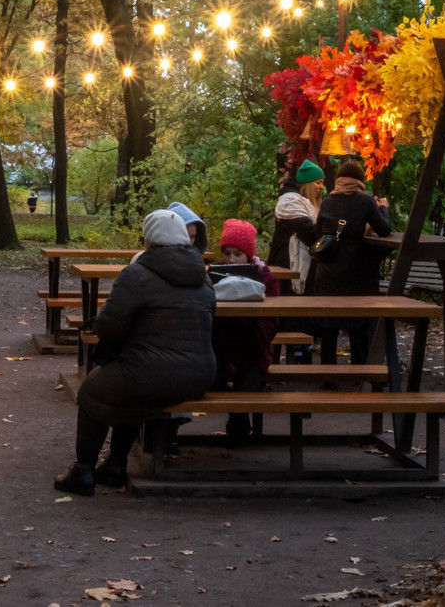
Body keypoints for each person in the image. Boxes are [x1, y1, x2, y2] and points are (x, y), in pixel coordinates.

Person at [54, 209, 216, 496]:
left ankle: (84, 471)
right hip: (200, 374)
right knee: (133, 383)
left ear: (148, 241)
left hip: (153, 372)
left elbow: (109, 325)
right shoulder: (203, 277)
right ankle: (115, 466)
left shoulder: (137, 274)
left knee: (92, 390)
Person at [312, 159, 391, 364]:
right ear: (359, 181)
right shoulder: (364, 202)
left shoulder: (328, 201)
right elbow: (384, 229)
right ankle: (359, 373)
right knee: (357, 322)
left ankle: (328, 376)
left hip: (327, 273)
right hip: (355, 272)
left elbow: (319, 233)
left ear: (339, 180)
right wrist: (383, 208)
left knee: (329, 325)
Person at [211, 219, 279, 444]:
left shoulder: (265, 278)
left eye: (237, 254)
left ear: (248, 255)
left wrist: (241, 360)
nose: (231, 259)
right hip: (220, 349)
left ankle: (239, 425)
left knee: (247, 386)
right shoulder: (215, 276)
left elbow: (268, 325)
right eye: (227, 253)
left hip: (253, 352)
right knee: (211, 382)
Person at [270, 159, 325, 296]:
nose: (321, 187)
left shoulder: (308, 206)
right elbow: (309, 234)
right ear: (308, 184)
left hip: (298, 263)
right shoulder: (290, 203)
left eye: (322, 183)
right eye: (317, 183)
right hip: (287, 263)